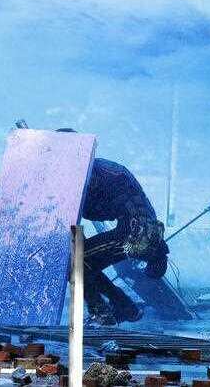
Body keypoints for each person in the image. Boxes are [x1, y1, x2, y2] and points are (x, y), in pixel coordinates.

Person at [57, 128, 169, 325]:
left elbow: (94, 211)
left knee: (76, 264)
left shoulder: (90, 172)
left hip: (134, 233)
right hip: (140, 230)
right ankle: (124, 307)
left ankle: (103, 313)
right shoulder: (99, 167)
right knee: (83, 262)